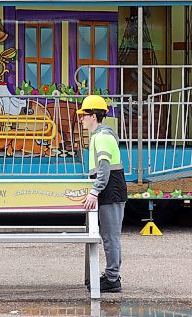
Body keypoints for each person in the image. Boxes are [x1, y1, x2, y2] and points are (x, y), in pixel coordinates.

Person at [77, 95, 127, 293]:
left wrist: (94, 191)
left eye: (84, 115)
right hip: (111, 190)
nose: (81, 119)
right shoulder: (101, 136)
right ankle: (111, 275)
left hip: (110, 191)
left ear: (93, 116)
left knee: (110, 237)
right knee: (108, 236)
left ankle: (113, 278)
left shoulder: (102, 137)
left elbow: (104, 168)